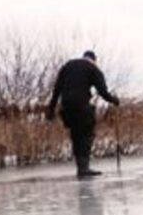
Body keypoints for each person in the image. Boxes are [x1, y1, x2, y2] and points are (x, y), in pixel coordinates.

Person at [46, 50, 119, 178]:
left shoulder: (67, 66)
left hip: (67, 108)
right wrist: (114, 100)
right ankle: (84, 168)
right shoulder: (93, 69)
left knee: (76, 136)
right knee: (86, 135)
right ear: (94, 59)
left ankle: (81, 168)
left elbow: (56, 89)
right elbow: (103, 91)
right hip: (82, 107)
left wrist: (51, 110)